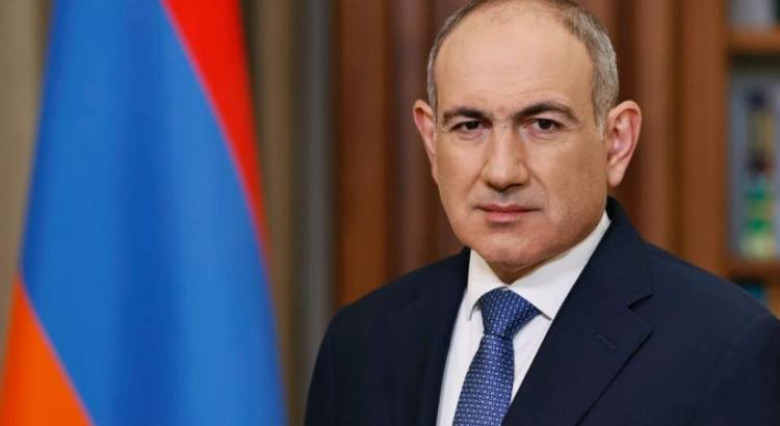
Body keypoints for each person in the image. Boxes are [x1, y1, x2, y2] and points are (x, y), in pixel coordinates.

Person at [305, 0, 780, 424]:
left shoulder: (725, 349)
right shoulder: (358, 345)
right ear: (432, 142)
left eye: (543, 125)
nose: (502, 171)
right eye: (470, 125)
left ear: (616, 142)